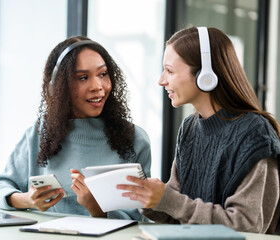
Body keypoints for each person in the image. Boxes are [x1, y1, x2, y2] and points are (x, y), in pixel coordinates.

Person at [117, 26, 280, 234]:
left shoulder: (255, 134)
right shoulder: (189, 128)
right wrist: (151, 200)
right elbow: (177, 211)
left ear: (206, 75)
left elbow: (248, 226)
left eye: (170, 70)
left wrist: (168, 200)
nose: (161, 80)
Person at [0, 36, 151, 221]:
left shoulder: (135, 140)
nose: (98, 87)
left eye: (103, 74)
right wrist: (28, 200)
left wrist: (97, 209)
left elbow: (141, 217)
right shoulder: (41, 133)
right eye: (83, 78)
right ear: (59, 87)